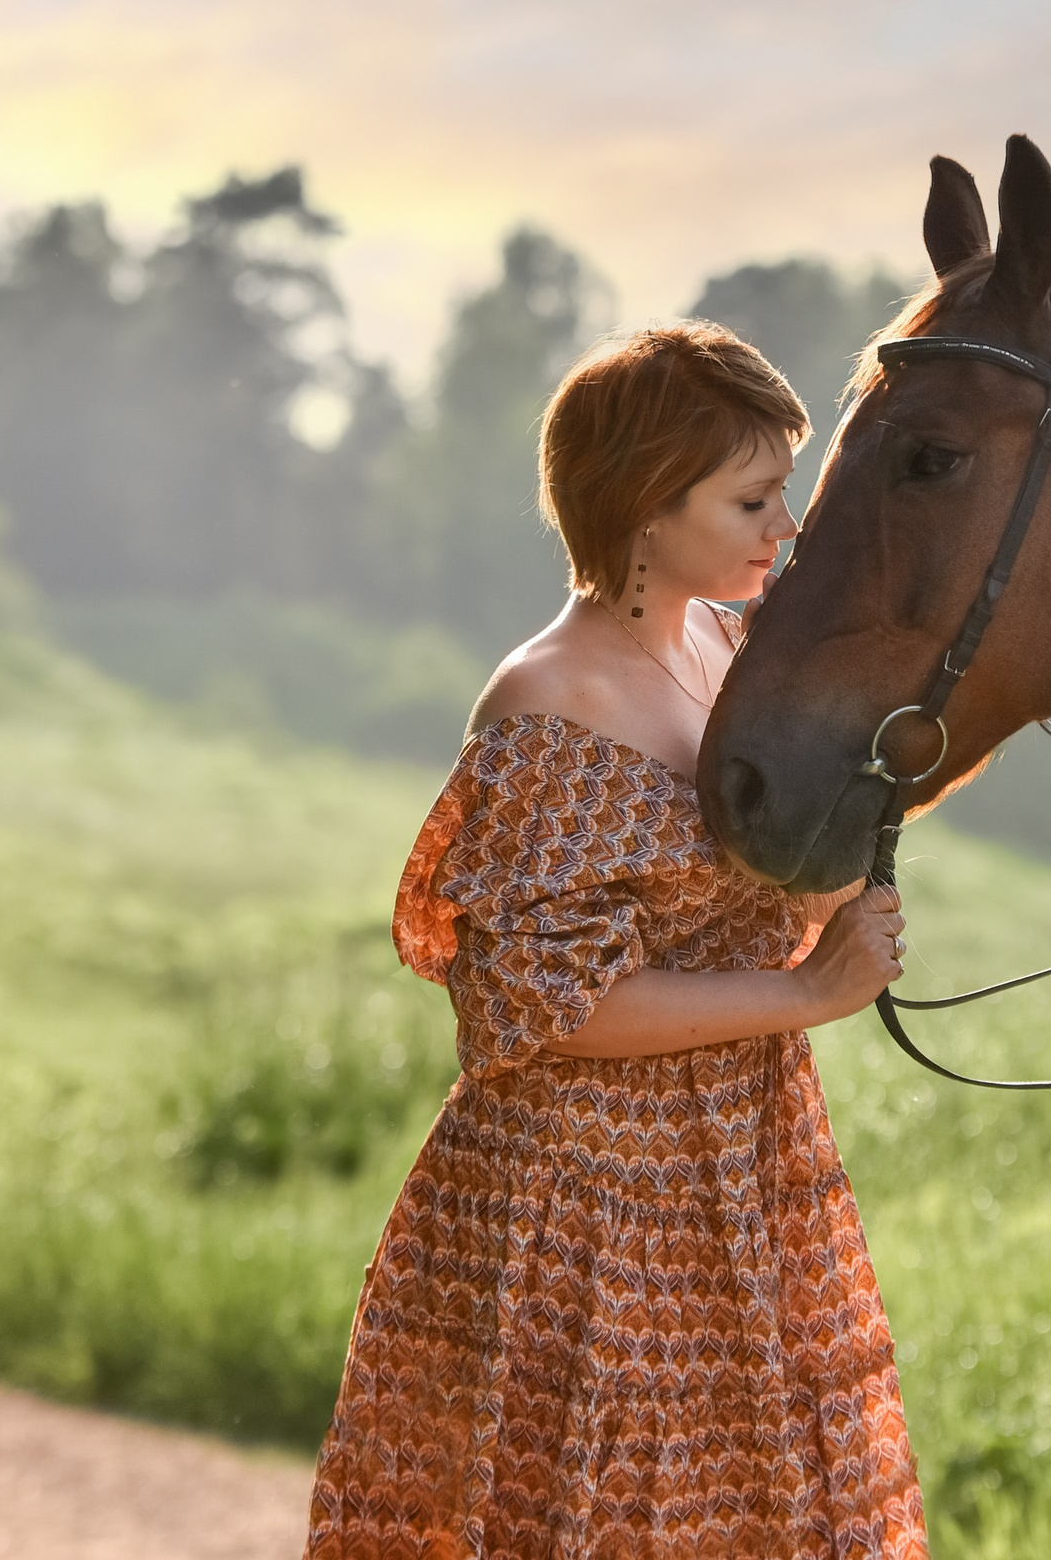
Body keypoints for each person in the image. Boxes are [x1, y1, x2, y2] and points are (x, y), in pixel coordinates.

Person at [306, 320, 929, 1557]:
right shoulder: (550, 700)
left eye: (781, 493)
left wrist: (825, 888)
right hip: (583, 1200)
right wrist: (810, 993)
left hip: (735, 1165)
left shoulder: (725, 644)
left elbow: (747, 878)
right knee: (593, 1517)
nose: (784, 528)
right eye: (752, 498)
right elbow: (543, 1009)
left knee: (757, 1510)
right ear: (647, 503)